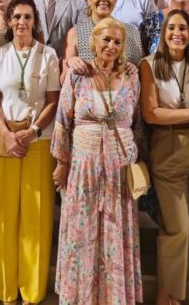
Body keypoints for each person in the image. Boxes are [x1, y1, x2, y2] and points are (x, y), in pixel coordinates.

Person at [51, 17, 144, 303]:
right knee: (83, 228)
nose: (111, 46)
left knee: (116, 229)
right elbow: (62, 121)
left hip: (119, 167)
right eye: (106, 40)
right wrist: (61, 162)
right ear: (94, 41)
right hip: (84, 165)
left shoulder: (131, 76)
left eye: (117, 41)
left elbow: (137, 121)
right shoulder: (78, 73)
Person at [140, 10, 189, 305]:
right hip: (168, 144)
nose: (178, 33)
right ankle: (168, 293)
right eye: (172, 27)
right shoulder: (149, 65)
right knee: (178, 226)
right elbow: (152, 113)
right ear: (163, 32)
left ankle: (180, 289)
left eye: (184, 28)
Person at [0, 0, 61, 305]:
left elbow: (53, 101)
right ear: (9, 21)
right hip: (3, 141)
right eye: (16, 16)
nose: (21, 22)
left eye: (27, 17)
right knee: (3, 215)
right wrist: (6, 134)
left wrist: (31, 133)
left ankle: (31, 290)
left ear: (35, 21)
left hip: (38, 141)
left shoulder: (49, 55)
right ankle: (4, 289)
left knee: (37, 216)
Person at [66, 0, 146, 68]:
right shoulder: (75, 33)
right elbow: (64, 79)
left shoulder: (132, 32)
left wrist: (133, 68)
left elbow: (142, 71)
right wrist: (70, 62)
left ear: (116, 0)